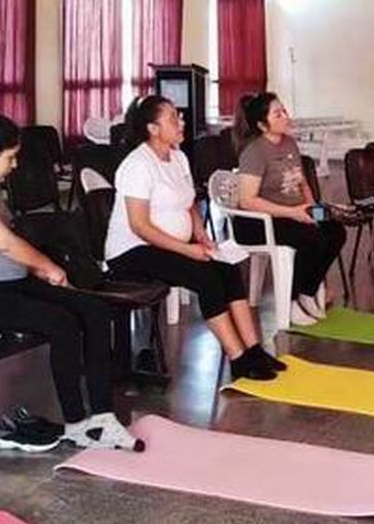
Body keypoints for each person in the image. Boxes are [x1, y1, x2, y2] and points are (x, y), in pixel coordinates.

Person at [0, 105, 143, 452]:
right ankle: (75, 422)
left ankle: (102, 417)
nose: (14, 165)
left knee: (94, 310)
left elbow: (10, 244)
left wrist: (44, 270)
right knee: (62, 322)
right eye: (9, 157)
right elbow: (4, 242)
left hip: (7, 286)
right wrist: (50, 269)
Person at [105, 95, 281, 380]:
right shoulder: (137, 164)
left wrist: (201, 235)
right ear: (152, 129)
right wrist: (187, 251)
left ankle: (254, 350)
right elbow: (140, 226)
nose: (181, 122)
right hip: (133, 251)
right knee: (206, 278)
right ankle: (236, 357)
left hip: (168, 246)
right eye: (174, 118)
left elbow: (189, 203)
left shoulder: (178, 157)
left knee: (228, 269)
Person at [233, 92, 347, 326]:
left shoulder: (290, 143)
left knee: (335, 231)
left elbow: (302, 182)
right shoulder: (254, 152)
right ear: (263, 125)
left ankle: (308, 291)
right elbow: (247, 201)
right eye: (278, 113)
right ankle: (290, 300)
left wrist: (314, 210)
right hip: (259, 221)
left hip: (295, 211)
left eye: (284, 110)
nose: (286, 116)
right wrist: (294, 213)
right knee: (311, 238)